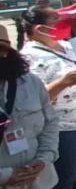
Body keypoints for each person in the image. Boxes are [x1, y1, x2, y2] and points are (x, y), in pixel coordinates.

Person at [18, 5, 76, 189]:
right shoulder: (28, 58)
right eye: (56, 20)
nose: (63, 23)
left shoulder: (68, 46)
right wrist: (63, 83)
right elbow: (34, 100)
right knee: (66, 177)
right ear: (40, 29)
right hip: (65, 128)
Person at [0, 25, 60, 189]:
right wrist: (5, 176)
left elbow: (50, 123)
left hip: (40, 180)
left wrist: (44, 159)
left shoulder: (31, 83)